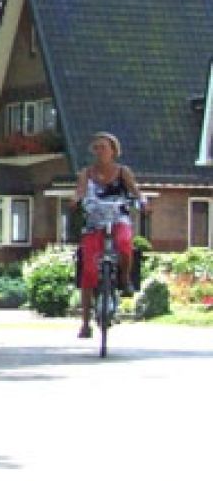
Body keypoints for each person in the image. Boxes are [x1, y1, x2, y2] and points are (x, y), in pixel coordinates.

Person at [71, 131, 145, 339]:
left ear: (113, 150)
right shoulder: (87, 173)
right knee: (88, 270)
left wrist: (143, 203)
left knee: (124, 245)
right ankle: (85, 324)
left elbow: (136, 192)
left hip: (118, 218)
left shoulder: (123, 172)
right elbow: (80, 191)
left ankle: (124, 278)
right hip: (94, 222)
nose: (99, 151)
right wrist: (76, 199)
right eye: (96, 148)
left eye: (103, 147)